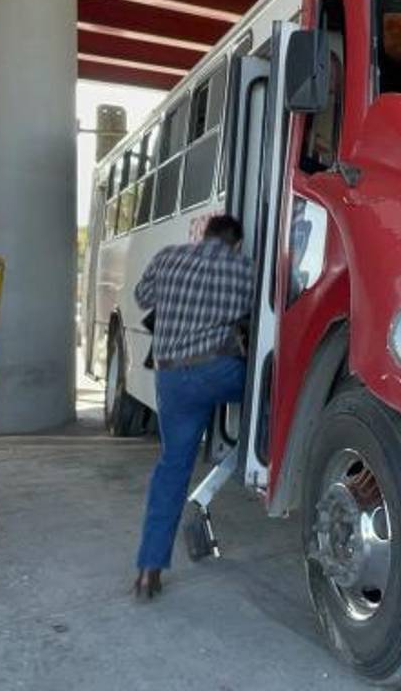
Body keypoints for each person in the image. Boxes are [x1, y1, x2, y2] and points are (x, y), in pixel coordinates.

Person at [132, 215, 253, 599]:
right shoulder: (243, 269)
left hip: (171, 377)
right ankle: (263, 443)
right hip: (220, 372)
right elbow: (256, 315)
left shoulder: (169, 257)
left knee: (172, 467)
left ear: (205, 235)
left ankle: (149, 570)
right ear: (236, 243)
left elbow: (141, 297)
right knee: (269, 389)